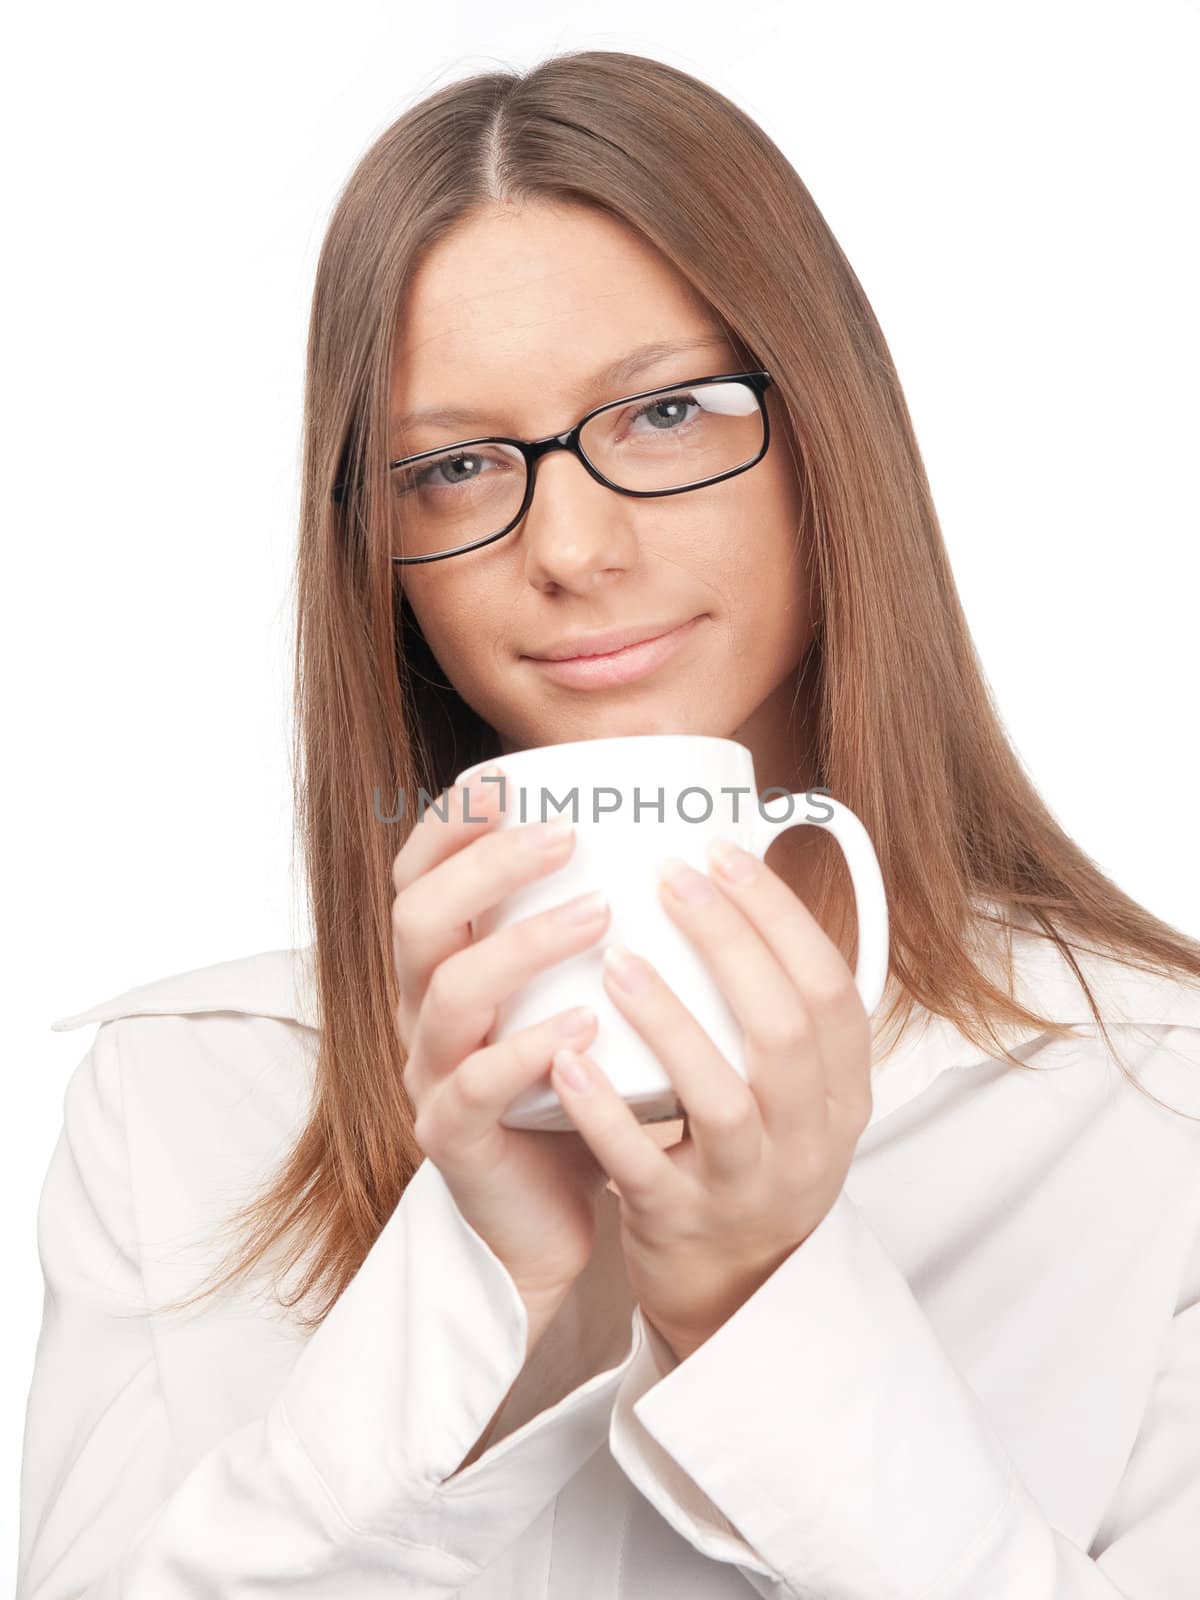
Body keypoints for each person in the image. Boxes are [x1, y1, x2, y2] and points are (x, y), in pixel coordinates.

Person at [17, 47, 1200, 1600]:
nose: (568, 547)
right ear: (377, 552)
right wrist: (483, 1279)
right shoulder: (182, 1098)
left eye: (662, 415)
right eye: (451, 468)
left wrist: (758, 1298)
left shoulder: (1151, 1105)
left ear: (831, 434)